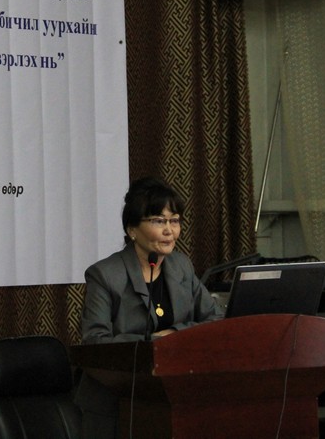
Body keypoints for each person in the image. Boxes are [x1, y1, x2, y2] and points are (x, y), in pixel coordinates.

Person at [76, 176, 222, 438]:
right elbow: (95, 343)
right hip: (116, 403)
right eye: (158, 221)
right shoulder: (105, 275)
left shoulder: (181, 266)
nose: (169, 231)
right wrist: (152, 344)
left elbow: (215, 320)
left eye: (174, 221)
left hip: (171, 397)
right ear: (132, 229)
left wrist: (174, 334)